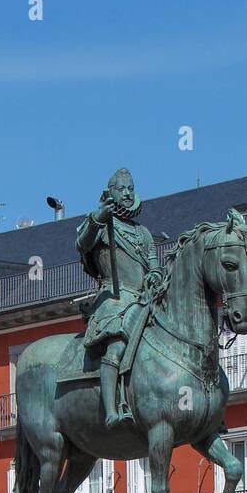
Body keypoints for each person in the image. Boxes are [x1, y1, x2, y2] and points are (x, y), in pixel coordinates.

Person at [76, 169, 162, 428]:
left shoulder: (143, 233)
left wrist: (156, 275)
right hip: (114, 297)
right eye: (121, 189)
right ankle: (111, 409)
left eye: (131, 188)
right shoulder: (100, 226)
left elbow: (153, 264)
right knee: (117, 343)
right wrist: (97, 219)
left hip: (144, 298)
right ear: (110, 193)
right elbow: (82, 243)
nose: (127, 193)